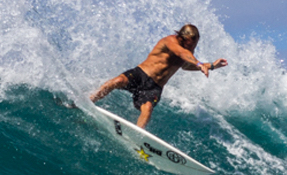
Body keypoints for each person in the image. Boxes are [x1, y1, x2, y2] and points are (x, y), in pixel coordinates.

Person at [90, 24, 228, 128]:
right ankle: (89, 100)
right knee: (118, 80)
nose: (193, 48)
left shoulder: (188, 52)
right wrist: (199, 63)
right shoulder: (170, 41)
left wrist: (212, 66)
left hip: (154, 87)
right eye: (191, 44)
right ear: (182, 38)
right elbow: (181, 53)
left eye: (195, 45)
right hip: (141, 73)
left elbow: (186, 66)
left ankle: (137, 135)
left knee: (147, 108)